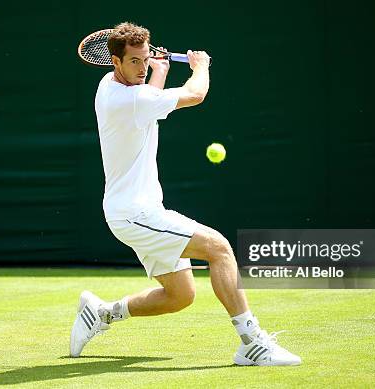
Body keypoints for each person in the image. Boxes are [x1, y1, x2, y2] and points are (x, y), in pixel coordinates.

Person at [70, 22, 301, 366]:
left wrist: (158, 72)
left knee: (180, 296)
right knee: (220, 249)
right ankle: (253, 343)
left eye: (146, 59)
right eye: (134, 61)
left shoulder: (112, 86)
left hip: (135, 211)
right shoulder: (131, 98)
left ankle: (102, 313)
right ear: (114, 61)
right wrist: (201, 66)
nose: (142, 67)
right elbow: (195, 94)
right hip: (135, 214)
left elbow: (148, 106)